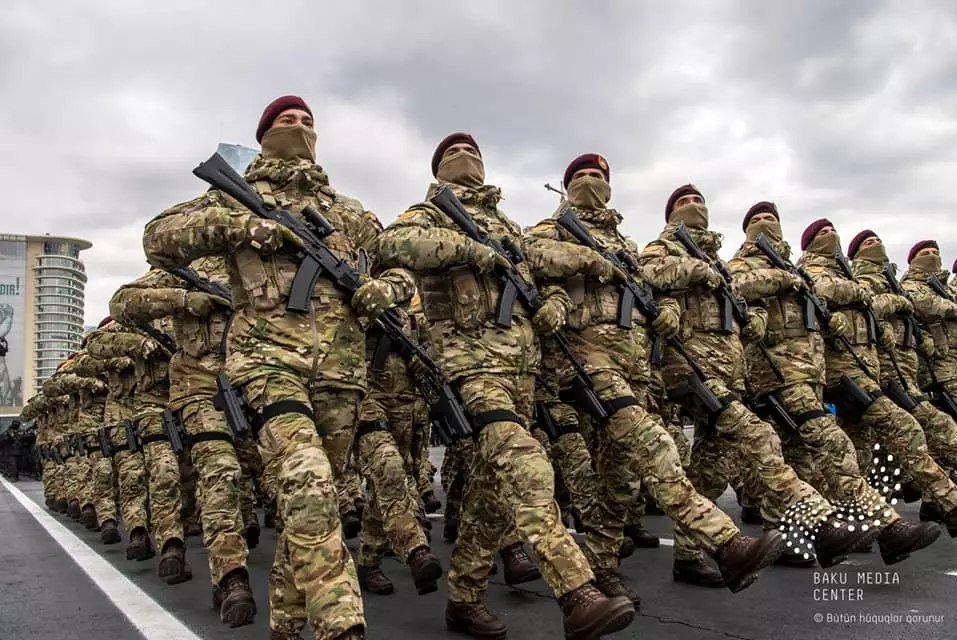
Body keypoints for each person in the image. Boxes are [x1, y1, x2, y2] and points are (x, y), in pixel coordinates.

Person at [145, 94, 408, 640]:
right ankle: (342, 624)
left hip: (341, 374)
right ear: (264, 134)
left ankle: (285, 627)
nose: (299, 126)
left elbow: (400, 265)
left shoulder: (347, 211)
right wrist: (243, 227)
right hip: (268, 363)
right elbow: (158, 238)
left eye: (308, 120)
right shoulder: (233, 198)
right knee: (310, 484)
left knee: (309, 507)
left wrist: (387, 289)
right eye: (287, 120)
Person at [375, 134, 636, 640]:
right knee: (527, 465)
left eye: (472, 150)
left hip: (521, 372)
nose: (464, 156)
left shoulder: (509, 227)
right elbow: (389, 245)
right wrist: (470, 249)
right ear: (437, 169)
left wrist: (552, 302)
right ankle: (577, 592)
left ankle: (464, 598)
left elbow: (540, 270)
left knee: (492, 492)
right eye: (452, 152)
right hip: (467, 366)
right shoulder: (428, 215)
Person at [525, 155, 786, 592]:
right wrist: (591, 260)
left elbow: (647, 287)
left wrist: (664, 309)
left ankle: (601, 569)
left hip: (633, 367)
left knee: (621, 478)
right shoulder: (553, 229)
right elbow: (532, 256)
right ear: (567, 188)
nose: (590, 181)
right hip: (584, 362)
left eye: (597, 176)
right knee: (656, 445)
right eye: (581, 176)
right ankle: (724, 542)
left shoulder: (624, 243)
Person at [635, 185, 878, 570]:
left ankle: (690, 554)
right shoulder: (667, 248)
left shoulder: (716, 259)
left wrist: (754, 318)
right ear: (670, 215)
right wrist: (700, 272)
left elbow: (738, 301)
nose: (694, 206)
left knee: (712, 469)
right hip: (692, 367)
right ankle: (819, 524)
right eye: (684, 202)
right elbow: (647, 274)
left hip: (732, 372)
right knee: (760, 437)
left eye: (699, 200)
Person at [729, 208, 939, 565]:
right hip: (776, 373)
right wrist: (783, 280)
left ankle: (791, 537)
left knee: (800, 459)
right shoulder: (751, 264)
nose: (767, 221)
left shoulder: (793, 269)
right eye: (759, 218)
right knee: (832, 444)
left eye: (772, 216)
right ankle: (887, 527)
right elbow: (738, 288)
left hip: (812, 374)